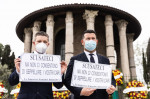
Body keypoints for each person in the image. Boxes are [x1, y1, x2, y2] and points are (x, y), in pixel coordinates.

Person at [8, 31, 67, 99]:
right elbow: (11, 82)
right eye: (39, 41)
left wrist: (60, 73)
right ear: (34, 43)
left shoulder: (54, 62)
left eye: (45, 42)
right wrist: (18, 71)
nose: (42, 43)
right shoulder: (22, 59)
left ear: (48, 44)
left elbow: (59, 86)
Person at [64, 30, 116, 99]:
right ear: (82, 42)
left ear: (96, 42)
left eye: (93, 38)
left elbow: (111, 79)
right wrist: (80, 91)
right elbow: (67, 80)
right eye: (88, 39)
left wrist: (112, 87)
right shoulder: (75, 59)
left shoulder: (105, 60)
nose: (91, 40)